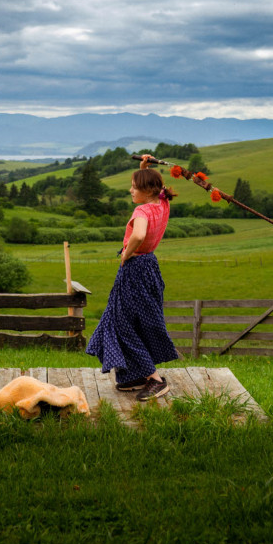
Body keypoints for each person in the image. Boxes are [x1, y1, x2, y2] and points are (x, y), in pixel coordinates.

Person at [85, 156, 179, 401]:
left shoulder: (142, 210)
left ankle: (155, 380)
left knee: (122, 325)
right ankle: (136, 375)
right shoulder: (162, 203)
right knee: (139, 322)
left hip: (134, 268)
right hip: (150, 268)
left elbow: (138, 235)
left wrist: (126, 254)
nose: (130, 190)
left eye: (134, 187)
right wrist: (144, 168)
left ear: (147, 191)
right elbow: (155, 187)